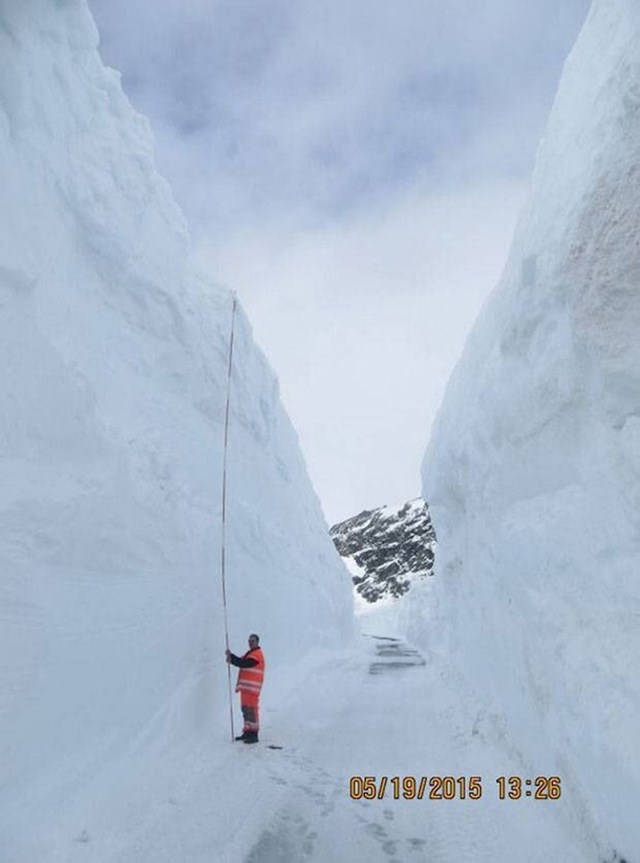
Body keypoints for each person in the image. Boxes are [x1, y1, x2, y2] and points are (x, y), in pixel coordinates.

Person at [225, 633, 265, 744]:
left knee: (252, 711)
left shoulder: (257, 655)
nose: (250, 643)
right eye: (249, 641)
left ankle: (254, 734)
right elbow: (240, 661)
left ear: (257, 642)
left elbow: (244, 663)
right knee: (246, 710)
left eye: (252, 641)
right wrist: (231, 656)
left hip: (252, 689)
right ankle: (247, 732)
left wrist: (232, 659)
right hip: (247, 688)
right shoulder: (250, 654)